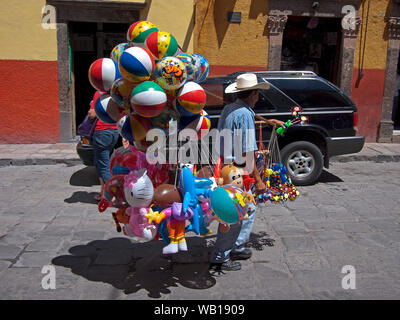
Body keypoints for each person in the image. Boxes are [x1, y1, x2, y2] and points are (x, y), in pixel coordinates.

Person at [209, 73, 285, 271]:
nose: (258, 97)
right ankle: (220, 256)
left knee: (248, 209)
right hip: (238, 171)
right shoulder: (244, 114)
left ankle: (237, 246)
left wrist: (269, 121)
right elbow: (247, 150)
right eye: (257, 93)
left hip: (227, 166)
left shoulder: (231, 108)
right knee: (235, 212)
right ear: (251, 93)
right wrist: (258, 179)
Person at [88, 91, 120, 201]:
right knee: (99, 163)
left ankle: (114, 195)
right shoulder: (115, 93)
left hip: (102, 132)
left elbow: (92, 114)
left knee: (104, 165)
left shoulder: (99, 94)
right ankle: (103, 192)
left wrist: (92, 105)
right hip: (114, 131)